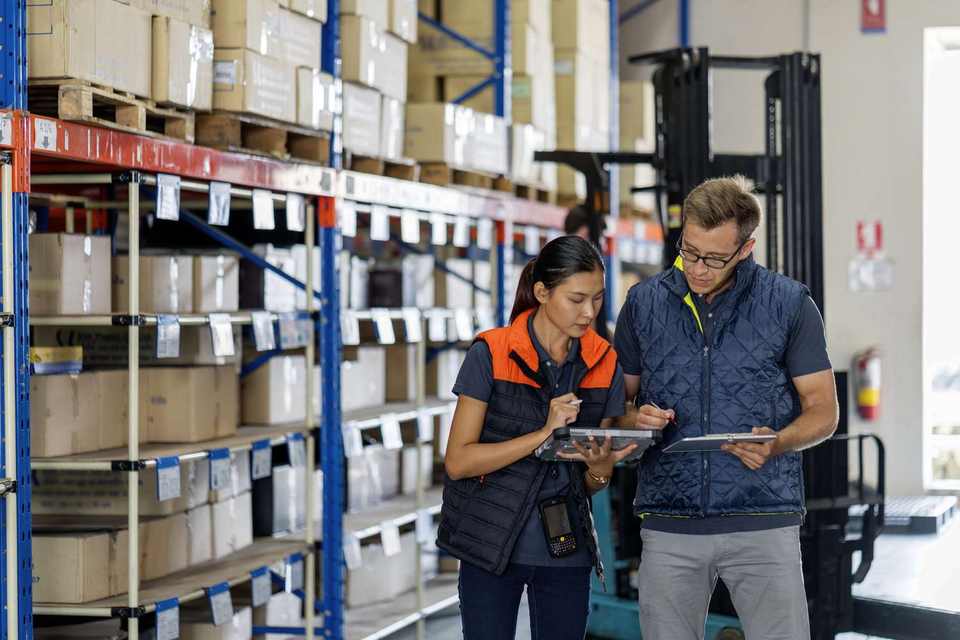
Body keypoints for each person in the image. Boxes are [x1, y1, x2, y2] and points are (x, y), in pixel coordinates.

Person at [614, 176, 839, 640]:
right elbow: (615, 408)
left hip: (762, 517)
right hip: (670, 520)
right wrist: (636, 420)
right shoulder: (643, 303)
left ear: (745, 249)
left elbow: (823, 411)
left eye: (714, 259)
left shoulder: (789, 304)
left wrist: (779, 442)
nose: (697, 268)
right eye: (689, 251)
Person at [438, 235, 634, 640]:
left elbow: (588, 483)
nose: (589, 312)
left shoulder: (604, 360)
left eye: (597, 299)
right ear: (542, 292)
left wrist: (600, 469)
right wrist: (544, 433)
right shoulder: (491, 353)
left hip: (565, 548)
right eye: (576, 299)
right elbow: (458, 461)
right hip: (489, 543)